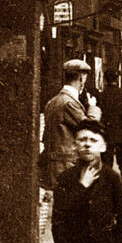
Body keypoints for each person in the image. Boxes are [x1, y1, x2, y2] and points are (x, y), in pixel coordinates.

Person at [41, 59, 100, 192]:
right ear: (81, 78)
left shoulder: (53, 101)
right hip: (66, 164)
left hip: (56, 163)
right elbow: (90, 128)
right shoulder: (69, 103)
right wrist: (93, 107)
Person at [98, 69, 122, 171]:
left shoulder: (102, 95)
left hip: (106, 133)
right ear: (117, 79)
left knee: (106, 164)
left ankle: (109, 185)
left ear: (105, 80)